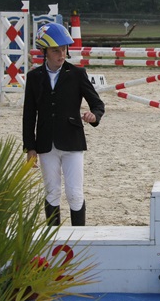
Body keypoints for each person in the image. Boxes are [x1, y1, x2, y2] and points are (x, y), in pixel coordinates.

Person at [22, 22, 105, 226]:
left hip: (72, 140)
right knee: (52, 191)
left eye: (64, 49)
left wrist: (94, 116)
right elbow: (29, 114)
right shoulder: (34, 77)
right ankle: (53, 238)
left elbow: (97, 103)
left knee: (74, 192)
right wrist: (30, 147)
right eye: (56, 50)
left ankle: (80, 237)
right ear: (45, 52)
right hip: (45, 143)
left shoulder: (77, 74)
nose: (61, 54)